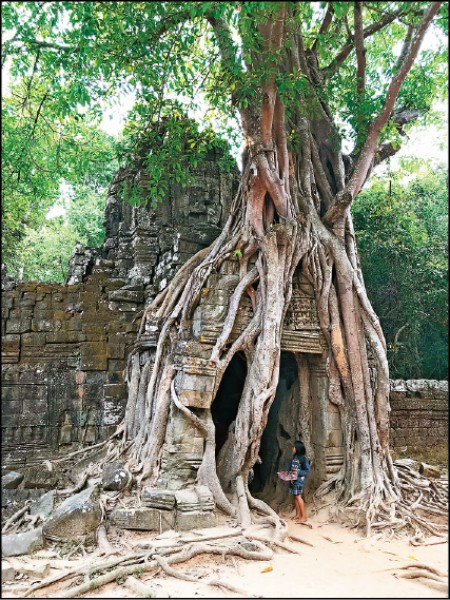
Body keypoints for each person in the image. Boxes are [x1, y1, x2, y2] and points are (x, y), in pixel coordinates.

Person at [287, 440, 310, 523]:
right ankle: (298, 515)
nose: (292, 448)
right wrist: (287, 473)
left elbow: (307, 471)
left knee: (298, 497)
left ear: (297, 449)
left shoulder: (303, 459)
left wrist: (298, 472)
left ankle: (304, 516)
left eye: (293, 447)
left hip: (299, 481)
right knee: (295, 497)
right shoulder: (294, 457)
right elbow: (291, 467)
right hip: (293, 480)